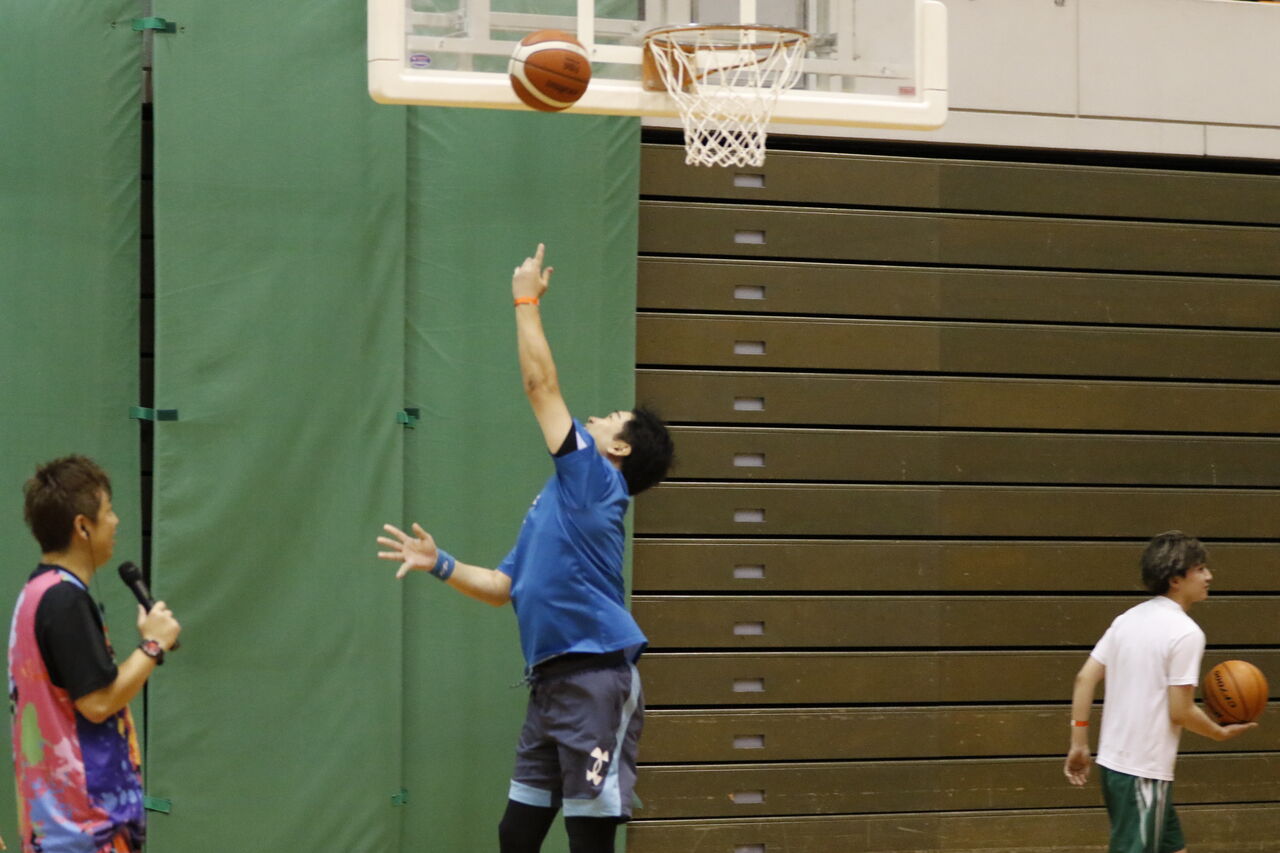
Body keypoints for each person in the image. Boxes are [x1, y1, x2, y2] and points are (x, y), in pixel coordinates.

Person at [376, 244, 674, 853]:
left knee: (588, 837)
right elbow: (502, 589)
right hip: (549, 686)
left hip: (595, 680)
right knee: (516, 833)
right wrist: (439, 563)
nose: (595, 418)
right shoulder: (557, 501)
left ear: (619, 449)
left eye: (609, 418)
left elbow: (541, 386)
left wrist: (525, 300)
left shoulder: (597, 481)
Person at [10, 455, 182, 853]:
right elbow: (98, 702)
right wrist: (152, 646)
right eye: (108, 511)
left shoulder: (35, 595)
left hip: (58, 826)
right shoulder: (64, 600)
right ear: (82, 526)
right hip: (84, 829)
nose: (116, 521)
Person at [1064, 530, 1256, 853]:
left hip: (1116, 765)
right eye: (1200, 569)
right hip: (1142, 772)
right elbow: (1180, 711)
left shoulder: (1127, 619)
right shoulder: (1185, 632)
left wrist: (1079, 744)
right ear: (1175, 579)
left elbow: (1084, 679)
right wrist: (1218, 733)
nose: (1209, 576)